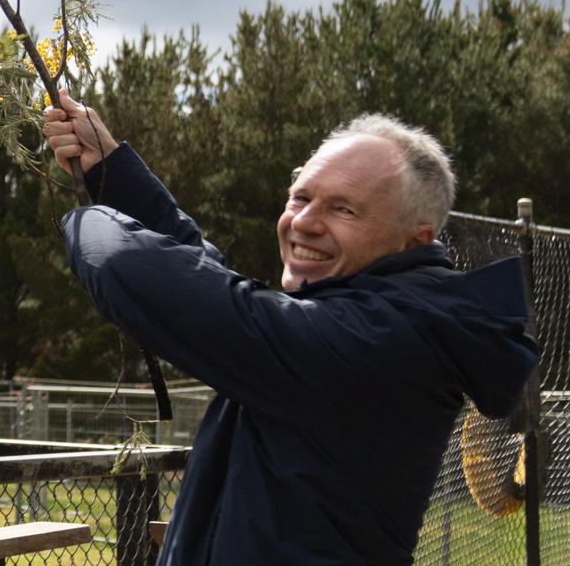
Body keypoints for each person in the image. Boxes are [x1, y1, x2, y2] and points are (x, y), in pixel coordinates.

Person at [44, 95, 538, 565]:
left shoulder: (376, 342)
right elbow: (210, 280)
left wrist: (87, 219)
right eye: (300, 197)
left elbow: (132, 267)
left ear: (413, 240)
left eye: (343, 209)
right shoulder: (388, 315)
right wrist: (110, 170)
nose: (304, 222)